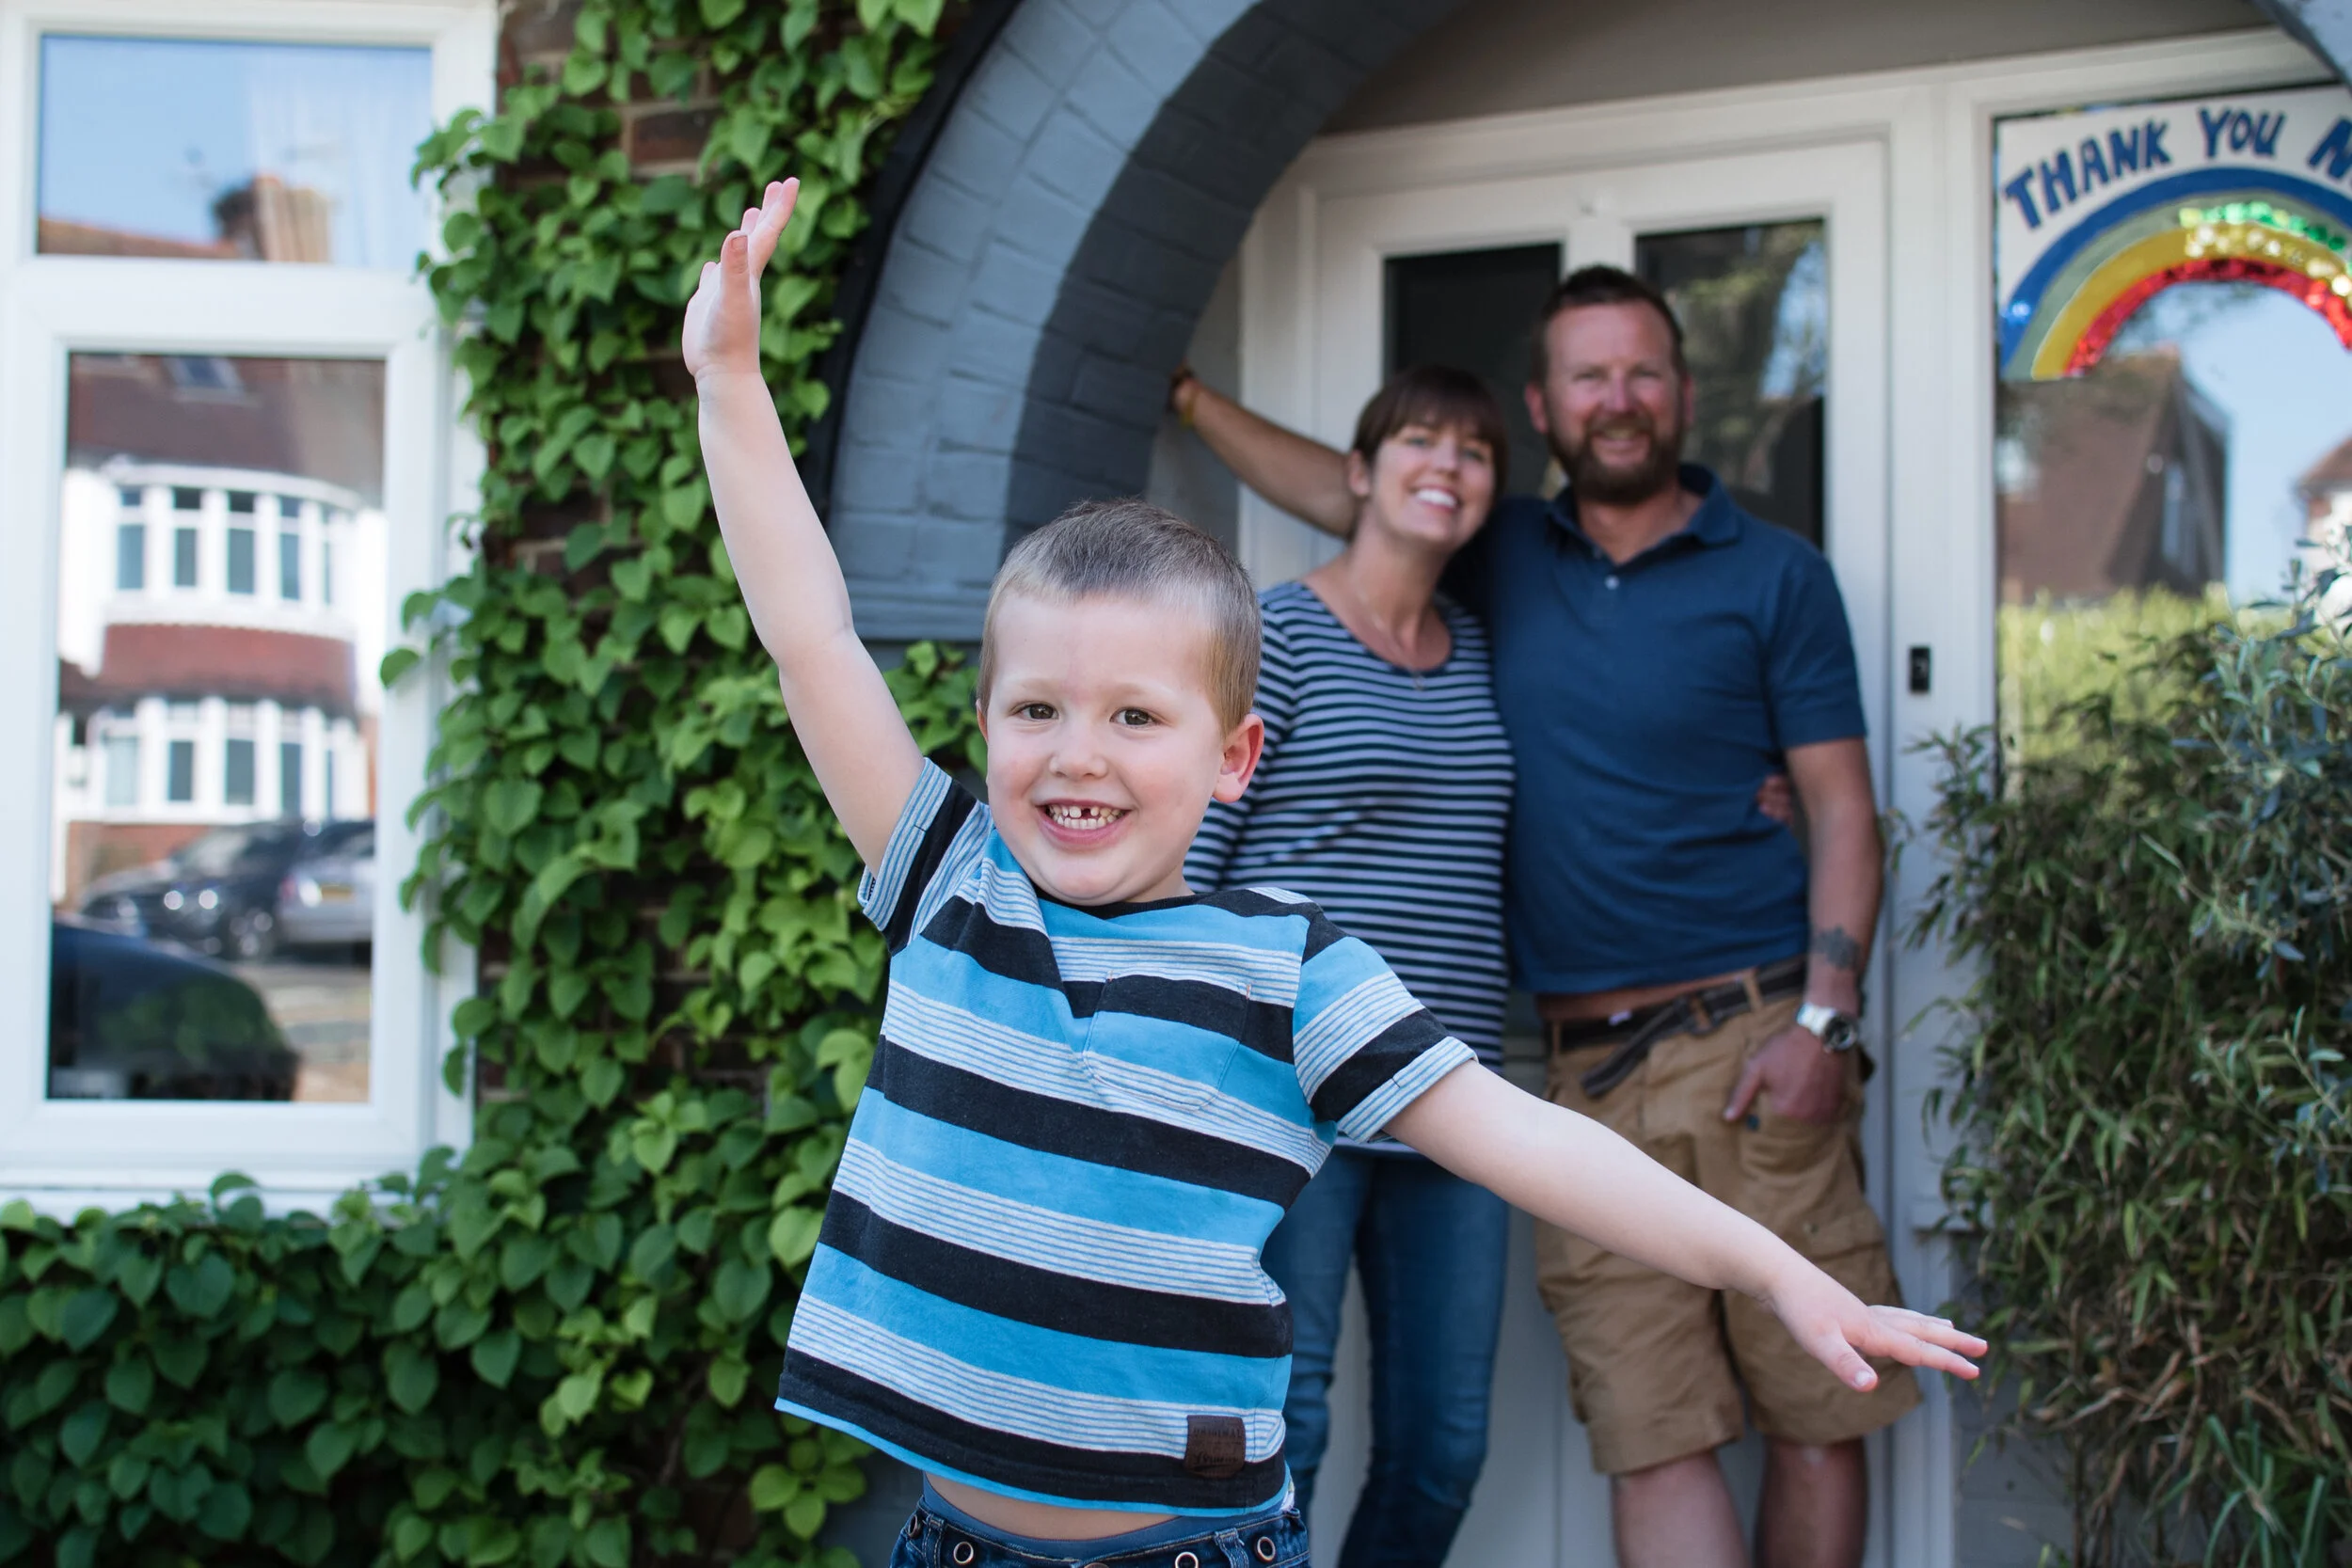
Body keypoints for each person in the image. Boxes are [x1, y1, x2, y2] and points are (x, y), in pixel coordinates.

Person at [691, 180, 1981, 1568]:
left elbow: (1529, 1140)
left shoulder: (1287, 969)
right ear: (985, 726)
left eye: (1136, 716)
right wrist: (729, 381)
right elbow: (812, 632)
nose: (1081, 755)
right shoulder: (954, 880)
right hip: (951, 1542)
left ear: (1235, 756)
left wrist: (1775, 1264)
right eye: (1037, 710)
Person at [1172, 266, 1908, 1568]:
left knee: (1806, 1398)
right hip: (1523, 1079)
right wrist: (1180, 394)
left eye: (1640, 374)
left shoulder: (1757, 578)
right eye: (1588, 377)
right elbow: (1351, 491)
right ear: (1550, 404)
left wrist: (1827, 1023)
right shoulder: (1485, 561)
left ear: (1682, 392)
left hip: (1704, 1048)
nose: (1616, 402)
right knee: (1641, 1426)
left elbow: (1844, 805)